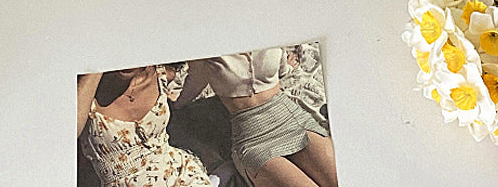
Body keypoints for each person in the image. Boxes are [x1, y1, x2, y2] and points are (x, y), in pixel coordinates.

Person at [187, 48, 338, 187]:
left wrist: (287, 67)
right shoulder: (208, 44)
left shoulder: (268, 29)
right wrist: (174, 104)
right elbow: (195, 81)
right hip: (252, 137)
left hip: (291, 117)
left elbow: (281, 68)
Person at [77, 63, 215, 187]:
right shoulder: (86, 92)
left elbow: (202, 71)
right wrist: (93, 69)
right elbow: (68, 133)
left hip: (182, 175)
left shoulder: (158, 75)